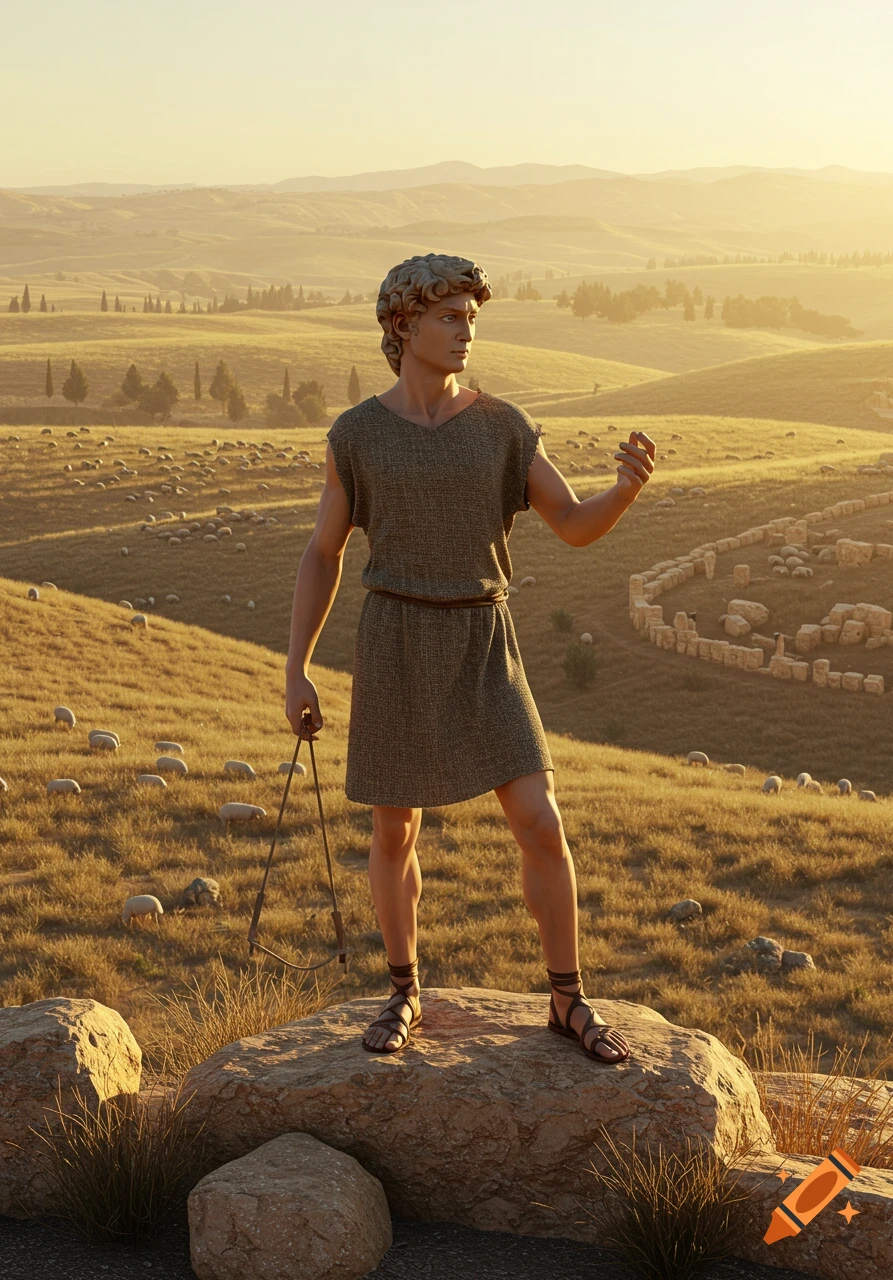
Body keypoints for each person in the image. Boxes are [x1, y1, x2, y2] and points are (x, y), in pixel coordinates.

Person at [285, 253, 654, 1064]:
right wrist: (296, 666)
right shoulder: (356, 435)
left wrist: (622, 493)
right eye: (449, 317)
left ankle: (567, 999)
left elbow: (572, 523)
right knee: (394, 832)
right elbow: (323, 553)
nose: (465, 332)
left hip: (486, 640)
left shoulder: (503, 426)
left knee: (540, 819)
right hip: (395, 641)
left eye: (471, 319)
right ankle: (404, 990)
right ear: (403, 325)